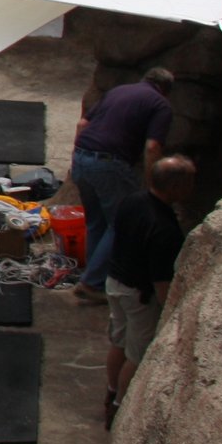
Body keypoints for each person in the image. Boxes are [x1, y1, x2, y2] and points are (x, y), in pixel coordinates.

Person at [105, 154, 195, 425]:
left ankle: (109, 394)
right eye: (189, 183)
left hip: (114, 283)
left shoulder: (132, 201)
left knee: (118, 342)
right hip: (138, 295)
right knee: (137, 354)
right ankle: (120, 408)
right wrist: (171, 313)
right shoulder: (165, 229)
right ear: (175, 188)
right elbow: (161, 281)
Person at [69, 66, 174, 301]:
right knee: (122, 223)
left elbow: (82, 125)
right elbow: (152, 147)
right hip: (110, 163)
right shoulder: (160, 105)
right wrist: (152, 187)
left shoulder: (118, 91)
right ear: (165, 90)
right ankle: (92, 283)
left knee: (96, 222)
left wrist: (77, 157)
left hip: (83, 155)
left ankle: (91, 276)